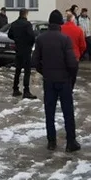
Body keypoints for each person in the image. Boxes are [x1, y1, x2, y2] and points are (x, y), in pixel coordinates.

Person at [32, 10, 79, 152]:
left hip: (49, 80)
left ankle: (51, 141)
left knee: (49, 111)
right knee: (68, 111)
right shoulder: (65, 39)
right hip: (64, 80)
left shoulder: (41, 39)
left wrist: (44, 72)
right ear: (60, 24)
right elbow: (72, 63)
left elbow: (34, 61)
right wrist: (71, 78)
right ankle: (71, 142)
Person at [8, 9, 37, 99]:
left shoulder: (14, 23)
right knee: (27, 71)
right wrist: (30, 43)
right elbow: (32, 36)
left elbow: (10, 35)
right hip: (26, 49)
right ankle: (26, 91)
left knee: (18, 70)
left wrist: (17, 40)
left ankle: (15, 89)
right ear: (26, 14)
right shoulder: (27, 24)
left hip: (18, 49)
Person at [62, 11, 86, 85]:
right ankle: (70, 89)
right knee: (72, 76)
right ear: (73, 20)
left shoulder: (61, 29)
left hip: (62, 55)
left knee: (63, 75)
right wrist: (80, 53)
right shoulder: (78, 30)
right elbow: (83, 45)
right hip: (75, 56)